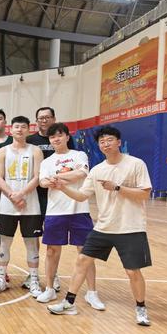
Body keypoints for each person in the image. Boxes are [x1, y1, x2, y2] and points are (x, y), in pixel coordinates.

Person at [48, 126, 153, 326]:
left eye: (110, 140)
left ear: (119, 142)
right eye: (102, 141)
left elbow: (145, 194)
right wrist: (63, 187)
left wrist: (117, 187)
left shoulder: (136, 164)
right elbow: (82, 195)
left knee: (132, 271)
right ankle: (69, 303)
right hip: (103, 227)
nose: (106, 144)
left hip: (130, 228)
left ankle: (141, 308)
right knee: (82, 261)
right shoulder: (97, 170)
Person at [36, 123, 103, 310]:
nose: (56, 139)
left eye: (59, 135)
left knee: (85, 252)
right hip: (55, 211)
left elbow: (82, 173)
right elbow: (42, 182)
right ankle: (50, 289)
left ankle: (92, 292)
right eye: (52, 137)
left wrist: (57, 177)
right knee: (51, 251)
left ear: (67, 136)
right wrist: (51, 180)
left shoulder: (78, 155)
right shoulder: (46, 162)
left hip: (79, 210)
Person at [0, 115, 43, 297]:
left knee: (31, 244)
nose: (19, 130)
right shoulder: (2, 151)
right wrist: (13, 195)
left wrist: (22, 194)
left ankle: (34, 279)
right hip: (7, 204)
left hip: (30, 204)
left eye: (23, 127)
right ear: (11, 129)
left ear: (29, 130)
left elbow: (37, 177)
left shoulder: (35, 150)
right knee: (4, 242)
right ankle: (1, 278)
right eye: (16, 127)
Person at [26, 107, 75, 290]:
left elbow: (71, 165)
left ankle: (52, 276)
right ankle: (33, 274)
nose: (44, 120)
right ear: (36, 121)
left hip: (58, 195)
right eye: (41, 118)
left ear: (54, 118)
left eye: (47, 117)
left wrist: (58, 180)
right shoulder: (30, 140)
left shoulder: (65, 139)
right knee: (34, 236)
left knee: (53, 239)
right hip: (36, 194)